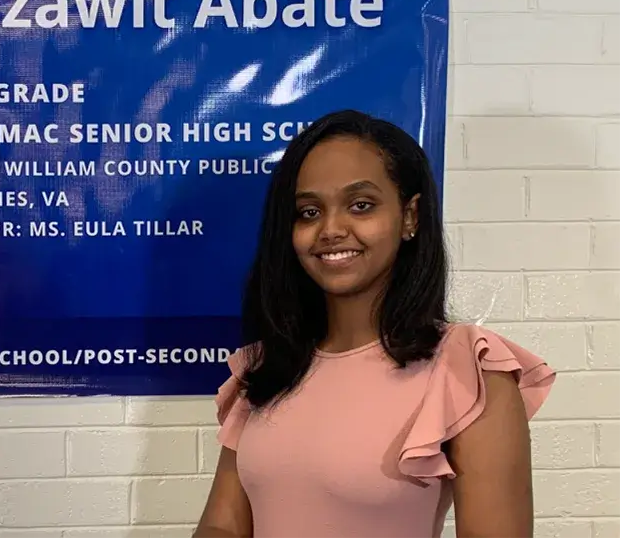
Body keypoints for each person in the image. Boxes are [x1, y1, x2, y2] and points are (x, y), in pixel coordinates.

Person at [193, 110, 556, 538]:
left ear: (410, 216)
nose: (330, 229)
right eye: (308, 212)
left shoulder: (469, 370)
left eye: (360, 205)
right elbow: (222, 525)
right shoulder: (265, 367)